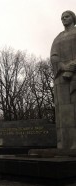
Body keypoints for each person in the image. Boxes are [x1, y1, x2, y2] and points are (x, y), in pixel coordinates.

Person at [51, 10, 76, 149]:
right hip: (61, 78)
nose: (64, 19)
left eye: (66, 17)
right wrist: (64, 67)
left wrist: (73, 66)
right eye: (62, 18)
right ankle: (63, 144)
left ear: (73, 18)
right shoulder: (58, 38)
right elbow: (53, 56)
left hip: (75, 76)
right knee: (62, 113)